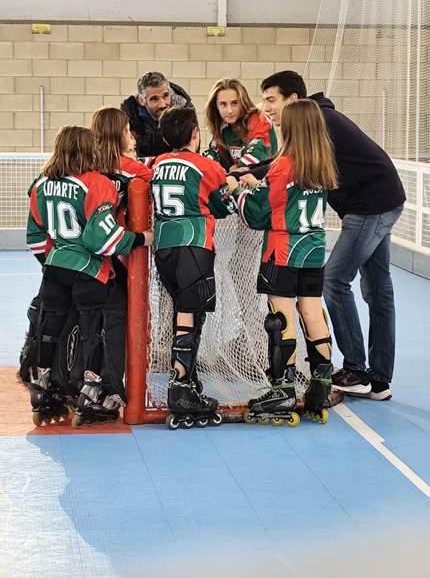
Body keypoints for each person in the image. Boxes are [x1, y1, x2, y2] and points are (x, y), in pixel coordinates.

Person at [260, 70, 406, 401]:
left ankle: (356, 369)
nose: (266, 108)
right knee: (378, 288)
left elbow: (287, 165)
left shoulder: (318, 120)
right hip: (380, 199)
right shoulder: (319, 118)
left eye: (272, 100)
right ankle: (378, 380)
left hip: (371, 206)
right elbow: (284, 163)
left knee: (335, 280)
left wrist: (244, 175)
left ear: (293, 100)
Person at [26, 126, 153, 427]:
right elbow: (101, 239)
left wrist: (56, 261)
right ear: (88, 149)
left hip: (55, 268)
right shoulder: (97, 182)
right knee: (92, 332)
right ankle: (91, 394)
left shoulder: (41, 183)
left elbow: (35, 236)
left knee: (49, 330)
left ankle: (42, 390)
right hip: (89, 270)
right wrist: (140, 238)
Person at [227, 99, 337, 425]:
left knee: (280, 318)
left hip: (282, 250)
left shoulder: (283, 165)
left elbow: (258, 213)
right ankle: (320, 387)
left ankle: (282, 388)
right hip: (313, 250)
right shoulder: (321, 165)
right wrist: (260, 185)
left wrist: (237, 190)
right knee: (312, 312)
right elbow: (286, 197)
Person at [151, 106, 236, 429]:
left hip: (164, 247)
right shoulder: (206, 165)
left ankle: (188, 379)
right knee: (190, 314)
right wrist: (233, 184)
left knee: (184, 313)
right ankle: (181, 386)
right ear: (195, 134)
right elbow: (223, 206)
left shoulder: (157, 163)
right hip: (194, 244)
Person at [204, 78, 278, 171]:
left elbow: (259, 152)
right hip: (237, 178)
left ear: (243, 102)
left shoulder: (259, 118)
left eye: (234, 103)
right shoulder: (223, 128)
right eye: (223, 104)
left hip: (265, 177)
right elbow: (212, 156)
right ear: (216, 107)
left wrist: (236, 170)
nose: (229, 110)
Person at [121, 71, 192, 158]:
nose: (162, 104)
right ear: (141, 100)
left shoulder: (185, 112)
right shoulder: (129, 118)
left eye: (166, 96)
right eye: (154, 99)